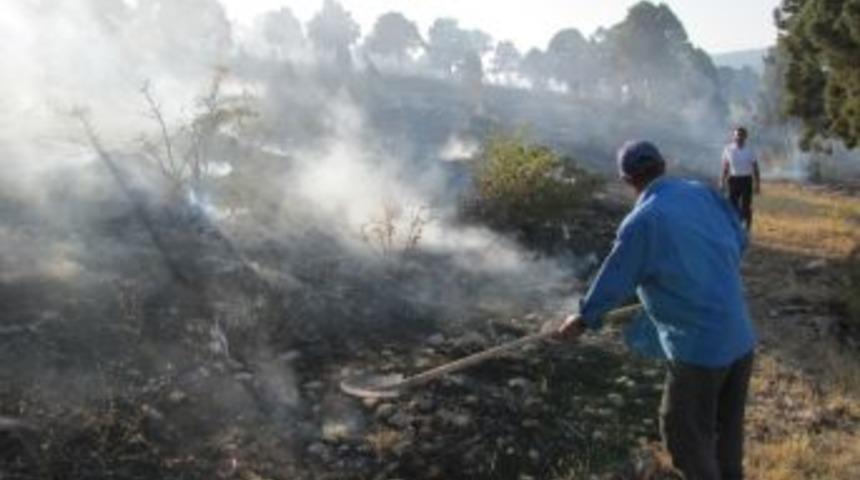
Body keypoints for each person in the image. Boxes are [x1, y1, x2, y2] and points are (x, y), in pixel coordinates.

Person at [555, 141, 757, 480]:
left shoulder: (643, 221)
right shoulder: (701, 193)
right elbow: (740, 238)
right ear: (664, 164)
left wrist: (582, 319)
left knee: (684, 434)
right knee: (727, 434)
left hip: (699, 351)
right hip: (740, 338)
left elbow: (614, 277)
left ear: (627, 179)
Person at [721, 127, 760, 230]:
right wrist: (722, 181)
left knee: (746, 206)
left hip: (746, 180)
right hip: (733, 179)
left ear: (745, 137)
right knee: (732, 205)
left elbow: (755, 167)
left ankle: (747, 227)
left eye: (741, 135)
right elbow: (725, 167)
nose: (739, 137)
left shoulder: (750, 150)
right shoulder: (728, 149)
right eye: (737, 135)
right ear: (734, 136)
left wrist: (757, 184)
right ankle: (735, 225)